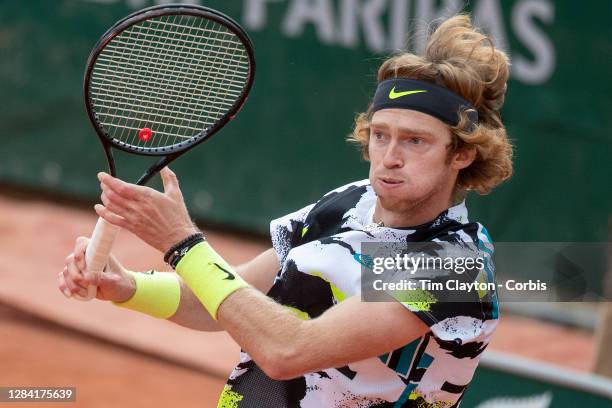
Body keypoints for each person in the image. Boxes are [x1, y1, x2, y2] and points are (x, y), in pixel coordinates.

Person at [60, 14, 513, 407]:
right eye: (380, 135)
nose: (390, 156)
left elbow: (287, 351)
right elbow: (228, 298)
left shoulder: (453, 265)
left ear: (462, 155)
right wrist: (128, 287)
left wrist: (183, 244)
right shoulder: (350, 203)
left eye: (415, 140)